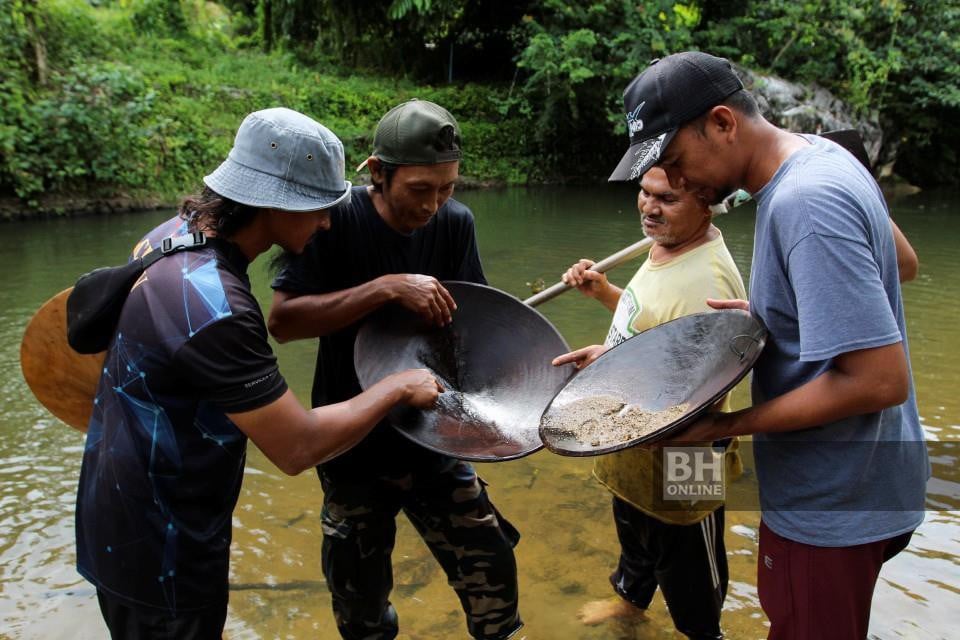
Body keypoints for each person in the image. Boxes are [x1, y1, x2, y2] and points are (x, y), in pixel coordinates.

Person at [75, 107, 442, 640]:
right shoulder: (217, 308)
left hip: (116, 509)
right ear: (273, 203)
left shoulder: (171, 234)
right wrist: (397, 386)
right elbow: (296, 448)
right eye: (316, 207)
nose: (326, 222)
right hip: (165, 548)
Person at [607, 52, 929, 639]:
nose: (673, 184)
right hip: (871, 477)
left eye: (675, 163)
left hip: (832, 497)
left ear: (724, 123)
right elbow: (899, 264)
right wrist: (776, 312)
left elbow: (880, 380)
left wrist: (724, 428)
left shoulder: (804, 201)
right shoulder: (823, 154)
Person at [268, 99, 523, 640]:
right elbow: (284, 321)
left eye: (447, 187)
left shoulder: (455, 224)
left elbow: (470, 326)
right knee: (359, 599)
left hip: (433, 435)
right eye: (420, 189)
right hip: (352, 440)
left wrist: (503, 407)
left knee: (492, 567)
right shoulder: (333, 220)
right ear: (377, 173)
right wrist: (387, 287)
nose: (434, 205)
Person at [552, 167, 746, 639]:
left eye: (667, 198)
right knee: (635, 530)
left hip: (684, 457)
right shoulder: (668, 247)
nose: (648, 206)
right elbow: (655, 332)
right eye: (644, 192)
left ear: (708, 203)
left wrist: (613, 374)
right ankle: (631, 602)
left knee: (691, 568)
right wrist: (604, 295)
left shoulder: (710, 281)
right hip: (631, 442)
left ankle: (704, 632)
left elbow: (702, 395)